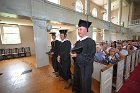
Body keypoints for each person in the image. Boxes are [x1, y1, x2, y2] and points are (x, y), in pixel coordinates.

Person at [71, 19, 96, 93]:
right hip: (77, 66)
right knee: (77, 80)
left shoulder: (91, 42)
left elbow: (90, 58)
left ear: (86, 30)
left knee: (84, 84)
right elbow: (76, 53)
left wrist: (77, 56)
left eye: (80, 29)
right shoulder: (78, 42)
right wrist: (73, 54)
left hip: (86, 68)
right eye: (78, 29)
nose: (78, 31)